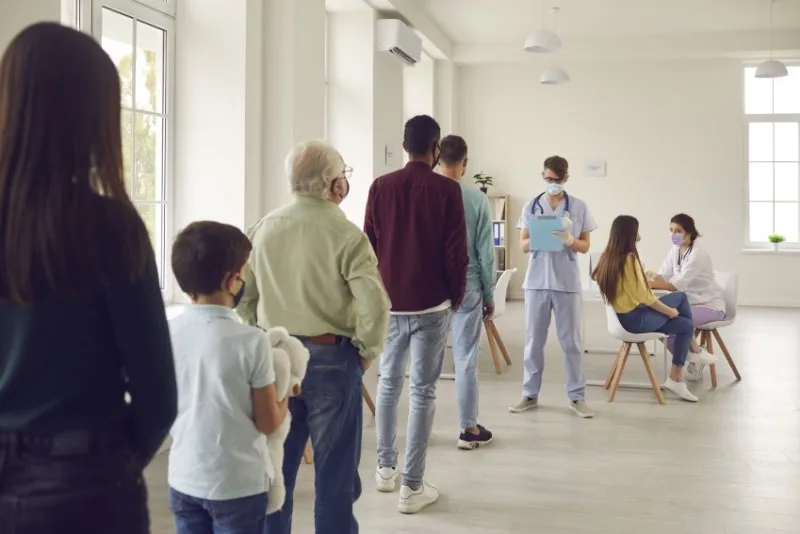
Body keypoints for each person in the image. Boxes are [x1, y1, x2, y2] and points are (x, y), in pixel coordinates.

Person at [0, 23, 177, 533]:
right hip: (86, 480)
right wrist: (108, 467)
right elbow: (158, 398)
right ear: (92, 117)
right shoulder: (112, 228)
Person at [238, 140, 390, 534]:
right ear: (333, 185)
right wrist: (366, 351)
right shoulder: (347, 235)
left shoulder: (262, 229)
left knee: (277, 475)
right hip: (332, 360)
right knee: (335, 479)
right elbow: (374, 305)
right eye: (344, 175)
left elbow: (244, 298)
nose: (345, 183)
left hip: (276, 362)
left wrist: (263, 335)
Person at [365, 115, 468, 514]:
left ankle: (385, 468)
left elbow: (369, 249)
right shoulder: (447, 190)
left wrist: (378, 295)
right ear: (436, 147)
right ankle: (411, 486)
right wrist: (456, 297)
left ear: (404, 144)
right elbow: (455, 252)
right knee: (423, 391)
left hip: (390, 304)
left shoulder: (379, 187)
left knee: (388, 384)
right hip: (432, 304)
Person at [168, 222, 289, 534]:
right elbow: (268, 422)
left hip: (183, 479)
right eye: (244, 271)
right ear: (231, 280)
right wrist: (288, 389)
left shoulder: (167, 334)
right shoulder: (252, 341)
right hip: (238, 486)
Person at [509, 156, 596, 418]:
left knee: (571, 342)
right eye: (548, 180)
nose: (553, 184)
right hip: (537, 282)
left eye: (558, 181)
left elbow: (585, 246)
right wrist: (540, 238)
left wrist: (569, 239)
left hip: (566, 283)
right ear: (543, 176)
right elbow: (522, 245)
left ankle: (577, 397)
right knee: (533, 341)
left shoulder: (579, 207)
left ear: (566, 179)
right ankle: (529, 394)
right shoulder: (531, 207)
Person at [592, 215, 706, 402]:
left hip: (621, 320)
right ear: (630, 234)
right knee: (682, 302)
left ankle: (689, 358)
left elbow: (607, 281)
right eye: (637, 231)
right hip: (635, 321)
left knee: (685, 324)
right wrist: (669, 312)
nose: (639, 235)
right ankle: (684, 366)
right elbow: (645, 298)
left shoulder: (607, 258)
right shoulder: (629, 259)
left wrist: (638, 279)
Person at [438, 135, 495, 450]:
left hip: (431, 291)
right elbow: (486, 252)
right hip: (469, 288)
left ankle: (421, 429)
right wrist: (489, 293)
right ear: (465, 162)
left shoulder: (427, 195)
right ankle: (468, 429)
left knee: (424, 365)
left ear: (437, 158)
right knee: (466, 360)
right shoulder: (476, 199)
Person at [647, 213, 721, 380]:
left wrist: (647, 284)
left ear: (689, 234)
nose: (673, 234)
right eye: (671, 230)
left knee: (670, 321)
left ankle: (692, 357)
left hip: (707, 304)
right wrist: (650, 276)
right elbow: (663, 276)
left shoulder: (698, 255)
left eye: (678, 231)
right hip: (687, 303)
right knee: (659, 321)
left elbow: (675, 285)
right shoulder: (675, 251)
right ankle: (695, 355)